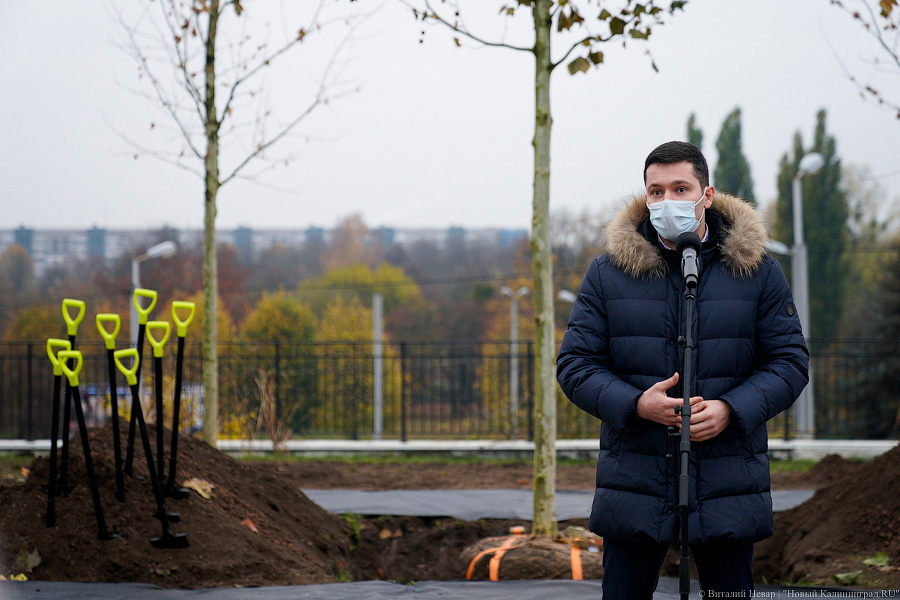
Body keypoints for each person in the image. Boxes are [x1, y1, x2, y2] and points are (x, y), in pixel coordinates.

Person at [556, 141, 809, 598]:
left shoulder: (758, 272)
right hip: (634, 480)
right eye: (656, 191)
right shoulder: (606, 273)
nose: (667, 201)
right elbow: (575, 365)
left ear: (706, 195)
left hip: (727, 481)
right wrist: (635, 405)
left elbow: (789, 362)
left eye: (680, 188)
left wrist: (732, 409)